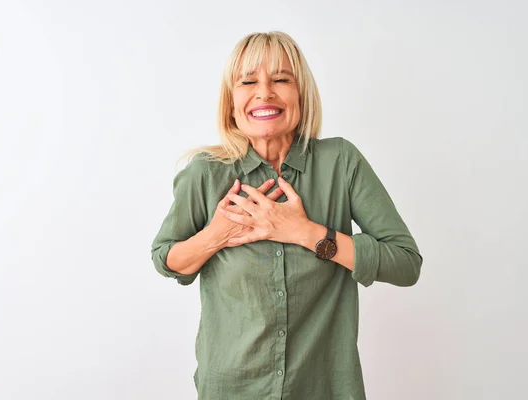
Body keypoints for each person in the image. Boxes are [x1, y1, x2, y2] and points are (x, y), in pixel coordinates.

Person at [151, 31, 423, 400]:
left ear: (301, 95)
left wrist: (306, 232)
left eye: (281, 79)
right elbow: (166, 259)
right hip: (230, 389)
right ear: (231, 102)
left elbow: (405, 264)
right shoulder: (206, 173)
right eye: (248, 82)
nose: (264, 93)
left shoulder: (340, 162)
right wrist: (217, 234)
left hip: (324, 388)